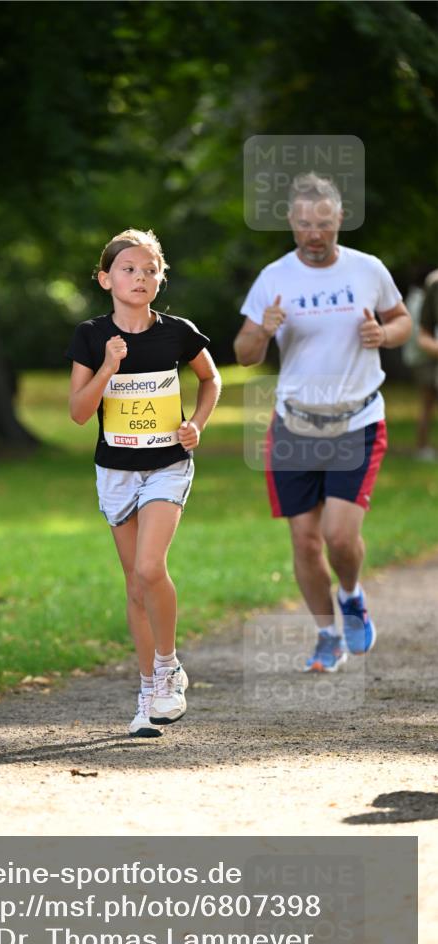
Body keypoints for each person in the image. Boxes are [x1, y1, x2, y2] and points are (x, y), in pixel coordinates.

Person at [234, 173, 411, 672]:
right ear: (292, 223)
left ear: (339, 221)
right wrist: (263, 333)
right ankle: (327, 635)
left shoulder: (367, 269)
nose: (315, 233)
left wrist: (385, 333)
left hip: (357, 420)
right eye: (306, 224)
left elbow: (402, 321)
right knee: (305, 541)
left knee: (337, 535)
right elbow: (243, 353)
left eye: (325, 223)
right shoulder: (274, 278)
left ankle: (352, 595)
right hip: (294, 426)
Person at [67, 229, 220, 736]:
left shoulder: (177, 332)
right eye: (129, 269)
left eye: (150, 269)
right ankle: (148, 691)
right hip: (115, 469)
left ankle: (169, 666)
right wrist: (110, 364)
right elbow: (78, 412)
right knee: (135, 584)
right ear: (106, 278)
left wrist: (196, 423)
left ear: (160, 279)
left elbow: (211, 377)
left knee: (151, 566)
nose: (140, 277)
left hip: (168, 466)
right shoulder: (91, 337)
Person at [402, 267, 438, 461]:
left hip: (423, 357)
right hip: (423, 359)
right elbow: (421, 335)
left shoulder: (415, 298)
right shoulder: (420, 300)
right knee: (427, 403)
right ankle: (422, 447)